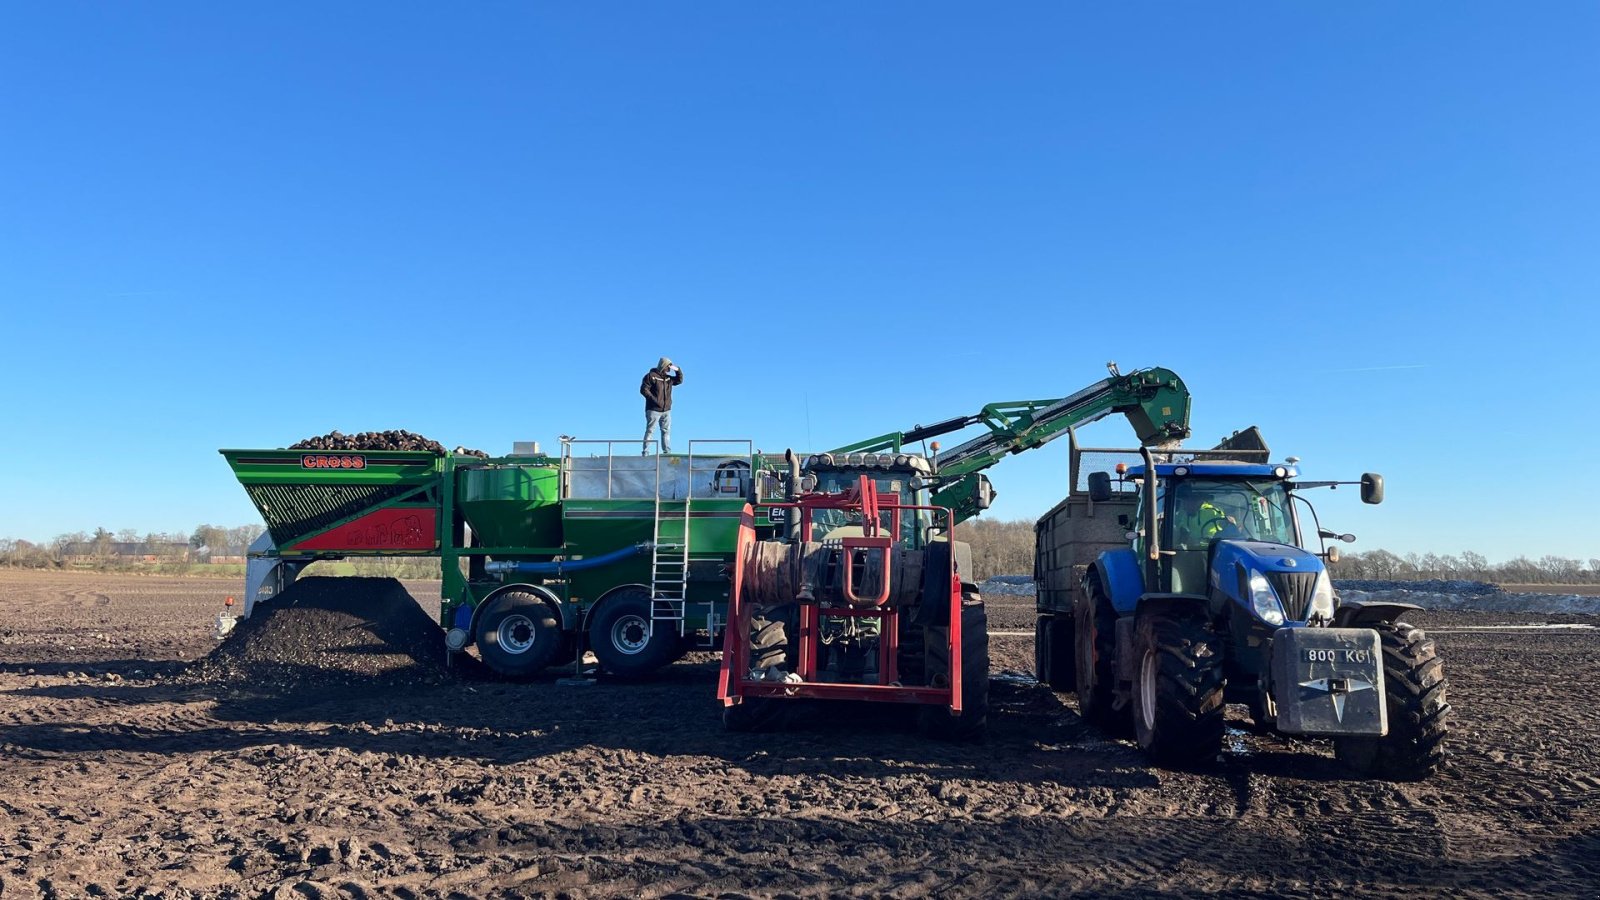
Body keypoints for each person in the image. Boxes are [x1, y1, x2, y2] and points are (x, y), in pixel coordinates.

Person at [639, 357, 683, 455]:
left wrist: (677, 370)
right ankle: (646, 451)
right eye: (668, 366)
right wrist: (654, 400)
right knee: (650, 430)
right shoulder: (651, 376)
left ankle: (666, 451)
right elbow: (644, 390)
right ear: (663, 365)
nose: (669, 368)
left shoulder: (668, 379)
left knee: (666, 431)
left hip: (666, 410)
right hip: (653, 409)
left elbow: (679, 380)